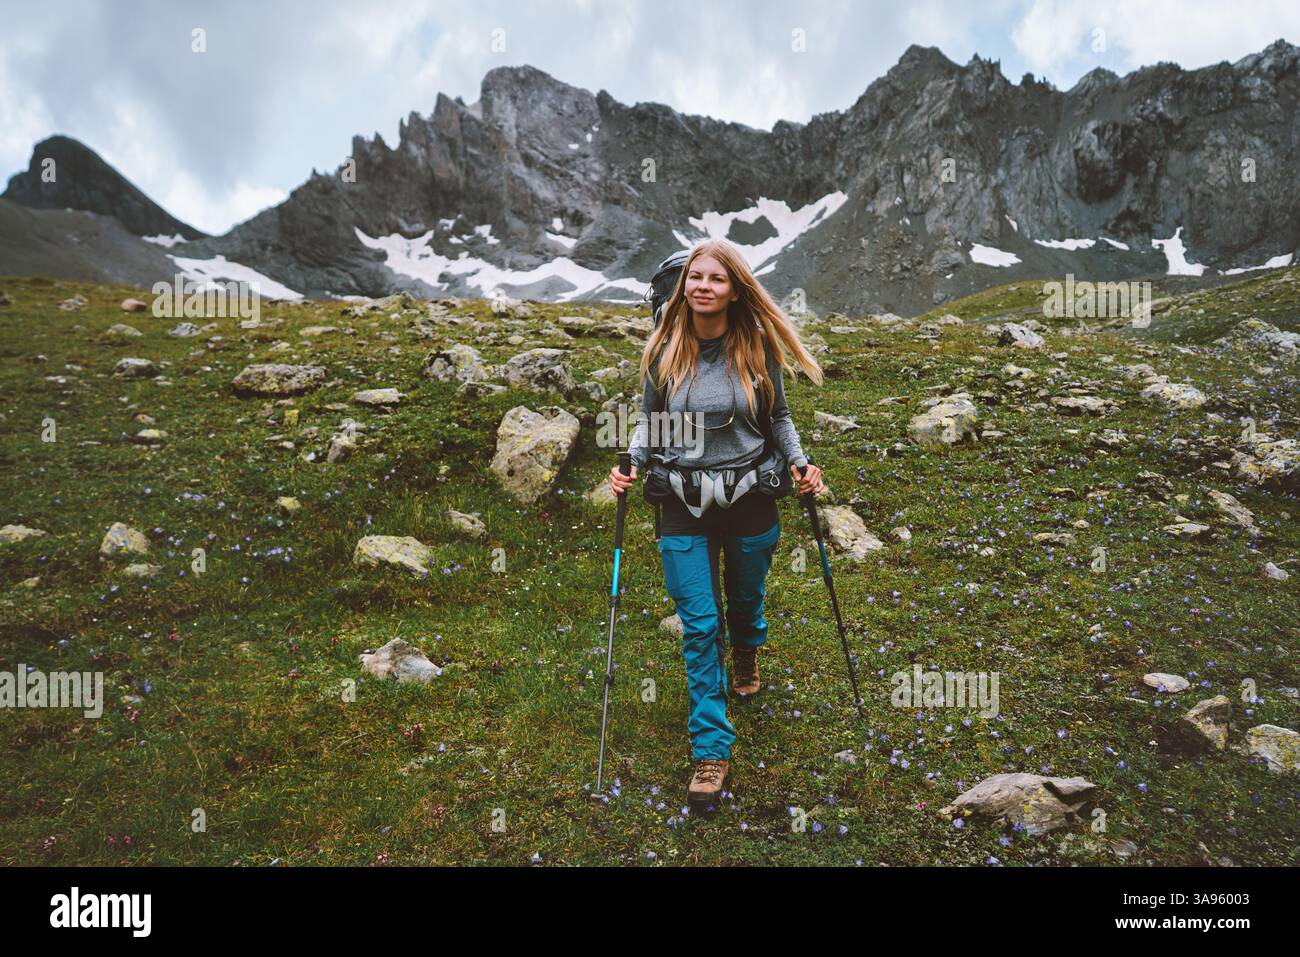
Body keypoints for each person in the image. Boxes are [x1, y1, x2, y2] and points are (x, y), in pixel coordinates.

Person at [609, 238, 825, 806]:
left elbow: (778, 417)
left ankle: (748, 649)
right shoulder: (664, 349)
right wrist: (630, 462)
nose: (702, 286)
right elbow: (649, 422)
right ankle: (710, 751)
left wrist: (801, 464)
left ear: (735, 289)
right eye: (695, 277)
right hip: (680, 499)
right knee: (700, 625)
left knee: (745, 602)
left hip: (751, 493)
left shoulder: (757, 347)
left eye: (716, 279)